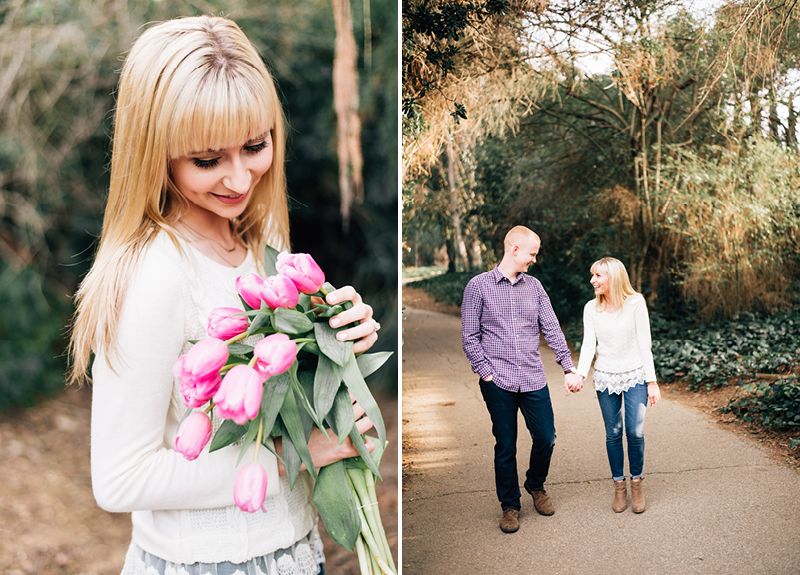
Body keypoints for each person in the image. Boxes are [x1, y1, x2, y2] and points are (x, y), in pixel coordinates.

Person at [67, 16, 380, 575]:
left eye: (256, 145)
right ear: (154, 152)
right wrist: (293, 455)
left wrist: (338, 335)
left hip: (295, 549)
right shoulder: (156, 273)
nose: (239, 178)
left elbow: (288, 398)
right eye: (208, 160)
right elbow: (119, 479)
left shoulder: (263, 243)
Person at [461, 226, 583, 533]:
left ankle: (535, 484)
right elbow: (469, 337)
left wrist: (568, 368)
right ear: (514, 249)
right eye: (532, 253)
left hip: (532, 377)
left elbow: (552, 328)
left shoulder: (535, 287)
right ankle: (510, 506)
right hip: (497, 381)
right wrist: (486, 373)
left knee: (546, 437)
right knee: (506, 445)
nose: (534, 260)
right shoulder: (478, 287)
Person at [573, 257, 661, 513]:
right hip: (605, 376)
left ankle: (636, 483)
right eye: (592, 275)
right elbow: (589, 344)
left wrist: (652, 382)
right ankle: (618, 486)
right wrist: (580, 374)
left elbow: (645, 343)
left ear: (613, 277)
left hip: (635, 374)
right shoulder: (591, 308)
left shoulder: (635, 303)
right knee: (613, 432)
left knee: (634, 431)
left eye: (598, 276)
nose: (592, 280)